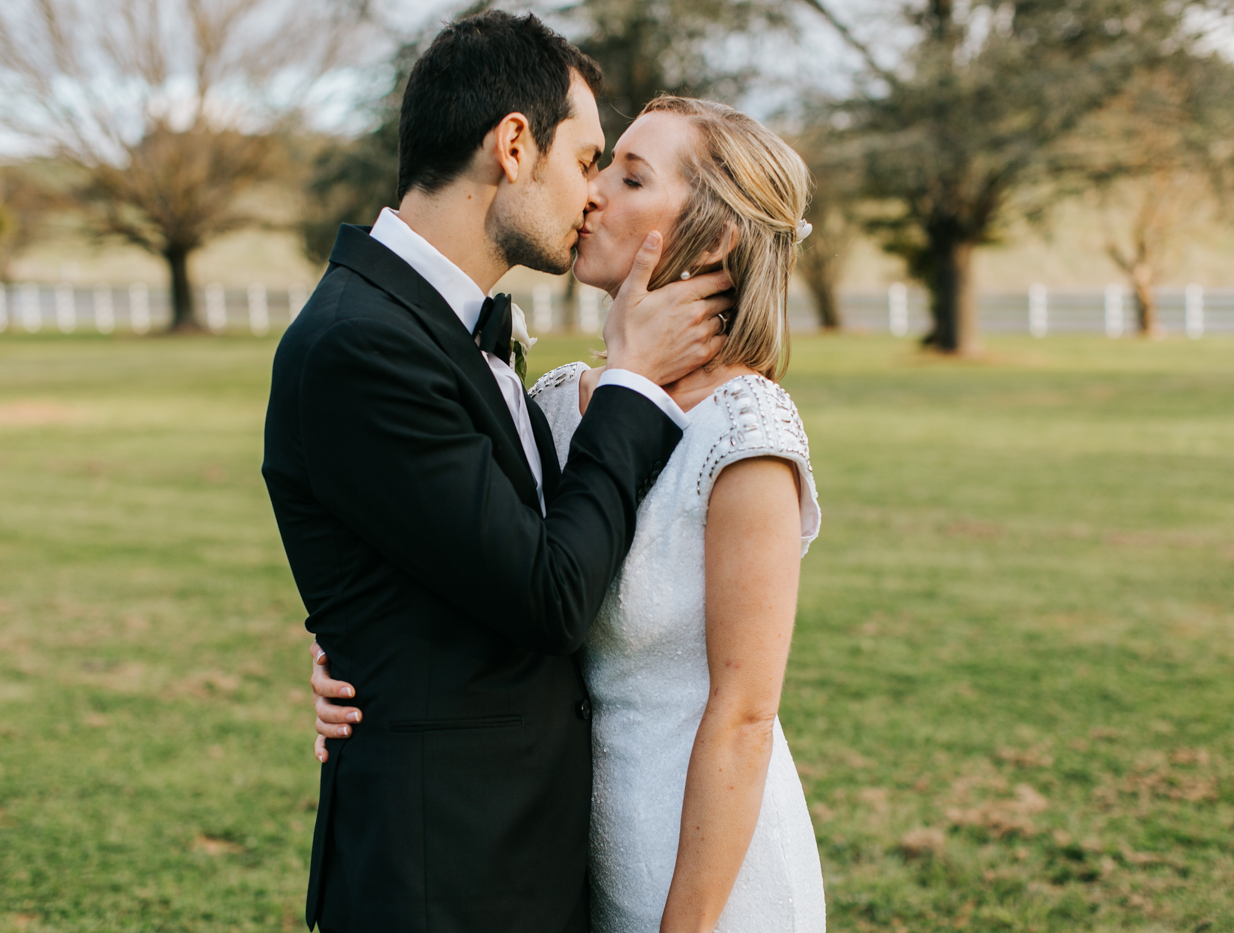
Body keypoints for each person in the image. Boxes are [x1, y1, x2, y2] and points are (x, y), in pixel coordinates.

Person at [262, 12, 732, 933]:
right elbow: (550, 593)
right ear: (513, 145)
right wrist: (632, 383)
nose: (594, 195)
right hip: (446, 877)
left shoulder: (436, 327)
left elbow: (441, 554)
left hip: (516, 855)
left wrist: (369, 637)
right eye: (587, 158)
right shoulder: (363, 345)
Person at [312, 94, 826, 932]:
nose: (592, 195)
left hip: (709, 882)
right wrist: (348, 654)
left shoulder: (744, 432)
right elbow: (492, 568)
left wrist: (684, 926)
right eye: (598, 168)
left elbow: (744, 714)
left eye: (629, 177)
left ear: (716, 234)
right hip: (563, 867)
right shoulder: (554, 405)